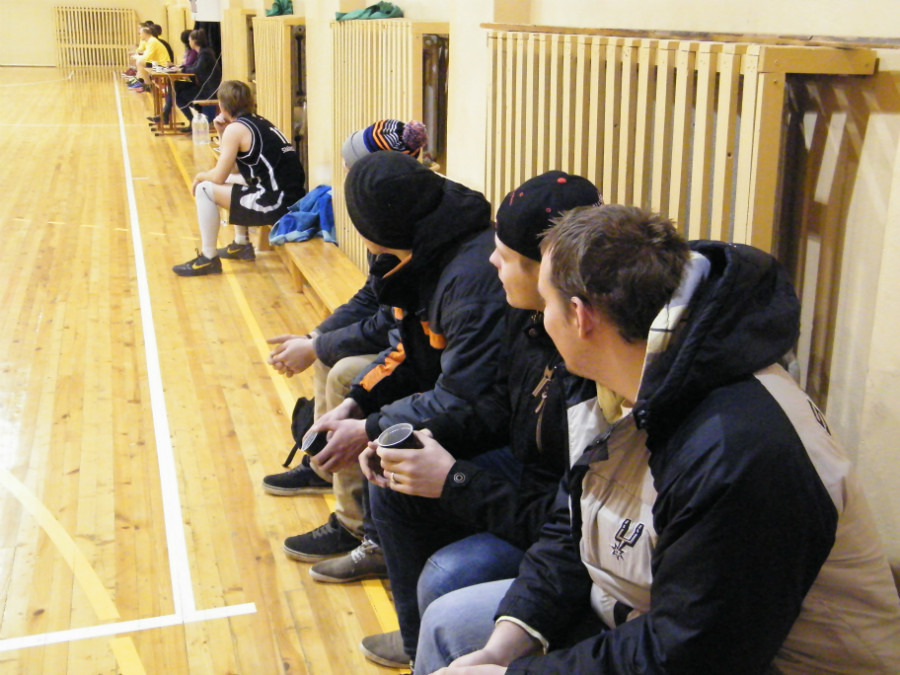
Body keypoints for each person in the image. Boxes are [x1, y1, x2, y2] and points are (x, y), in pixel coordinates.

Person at [418, 204, 900, 675]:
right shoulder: (617, 380)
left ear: (581, 318)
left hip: (766, 661)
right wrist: (508, 643)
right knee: (454, 625)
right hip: (644, 618)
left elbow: (694, 654)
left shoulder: (739, 448)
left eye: (547, 305)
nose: (541, 320)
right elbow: (574, 523)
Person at [357, 172, 602, 670]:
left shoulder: (594, 371)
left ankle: (433, 648)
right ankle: (419, 648)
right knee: (396, 481)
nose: (491, 262)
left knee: (447, 579)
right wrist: (414, 438)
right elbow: (495, 407)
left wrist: (454, 481)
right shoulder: (528, 317)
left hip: (553, 514)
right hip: (535, 482)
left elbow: (572, 524)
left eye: (505, 256)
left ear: (549, 272)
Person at [281, 152, 507, 586]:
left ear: (375, 227)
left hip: (491, 421)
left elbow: (466, 399)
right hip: (460, 395)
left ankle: (377, 545)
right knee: (354, 392)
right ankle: (362, 526)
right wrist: (355, 404)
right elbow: (405, 346)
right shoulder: (424, 244)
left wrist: (371, 427)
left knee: (388, 457)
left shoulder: (469, 282)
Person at [261, 120, 428, 498]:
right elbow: (371, 297)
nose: (347, 179)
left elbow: (388, 321)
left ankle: (351, 515)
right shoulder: (389, 218)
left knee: (342, 372)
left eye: (353, 170)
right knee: (328, 355)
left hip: (414, 355)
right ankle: (322, 467)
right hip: (400, 342)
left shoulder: (406, 229)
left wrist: (316, 346)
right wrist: (314, 337)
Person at [173, 80, 306, 276]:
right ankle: (241, 244)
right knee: (236, 180)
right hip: (290, 197)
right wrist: (221, 132)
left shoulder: (236, 129)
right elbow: (235, 169)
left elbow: (218, 177)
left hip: (276, 203)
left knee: (204, 189)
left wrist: (200, 176)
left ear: (222, 105)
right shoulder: (259, 122)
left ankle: (208, 258)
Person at [173, 29, 221, 133]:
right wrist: (182, 68)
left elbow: (197, 69)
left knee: (179, 96)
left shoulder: (205, 54)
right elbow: (193, 66)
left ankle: (193, 121)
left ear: (194, 41)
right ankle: (194, 120)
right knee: (178, 87)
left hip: (208, 90)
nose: (189, 42)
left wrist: (183, 70)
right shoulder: (203, 52)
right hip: (204, 87)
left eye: (190, 40)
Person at [128, 25, 167, 93]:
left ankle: (146, 84)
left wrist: (136, 56)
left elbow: (148, 57)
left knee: (140, 62)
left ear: (145, 34)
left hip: (161, 64)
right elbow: (147, 54)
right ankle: (141, 83)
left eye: (140, 34)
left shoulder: (152, 41)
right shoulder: (150, 41)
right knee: (140, 61)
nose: (140, 35)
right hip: (156, 62)